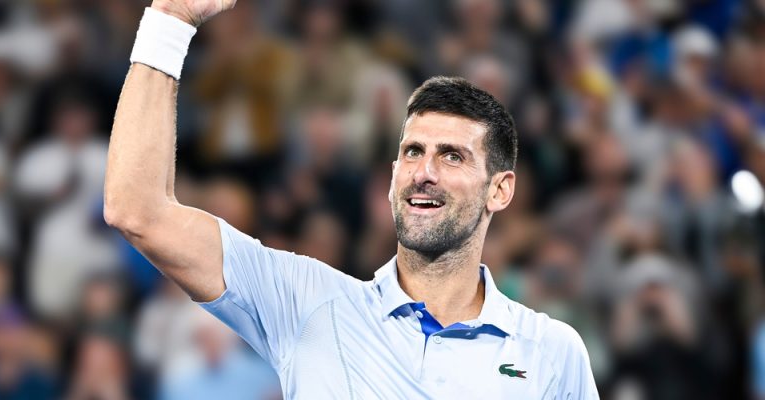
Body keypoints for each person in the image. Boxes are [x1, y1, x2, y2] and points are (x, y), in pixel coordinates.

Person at [103, 1, 599, 398]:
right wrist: (169, 20)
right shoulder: (305, 302)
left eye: (451, 157)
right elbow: (137, 210)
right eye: (412, 152)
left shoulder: (552, 353)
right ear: (391, 176)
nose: (424, 172)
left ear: (500, 189)